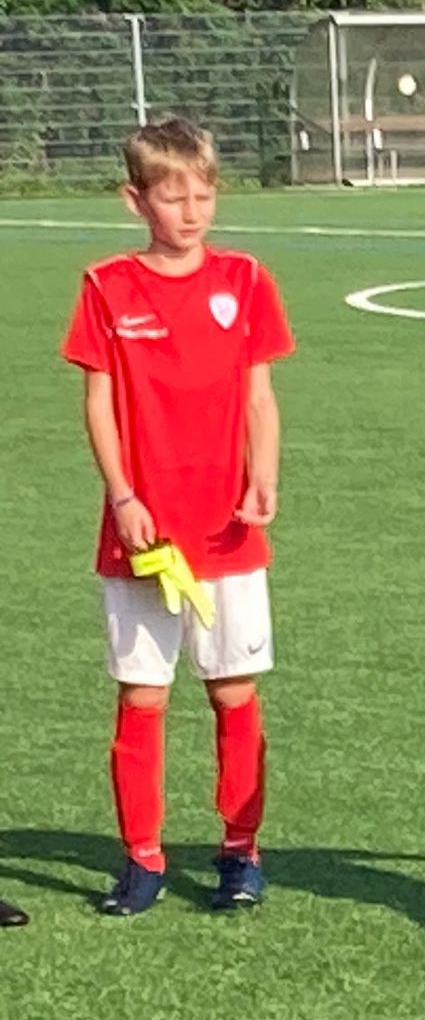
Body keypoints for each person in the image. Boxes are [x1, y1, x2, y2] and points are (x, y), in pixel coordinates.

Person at [60, 116, 293, 917]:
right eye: (172, 197)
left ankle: (241, 851)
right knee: (143, 697)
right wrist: (122, 497)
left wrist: (265, 476)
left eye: (203, 195)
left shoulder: (246, 279)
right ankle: (142, 857)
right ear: (136, 201)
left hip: (228, 529)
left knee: (233, 692)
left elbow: (260, 396)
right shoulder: (106, 287)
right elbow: (99, 403)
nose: (191, 212)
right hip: (144, 533)